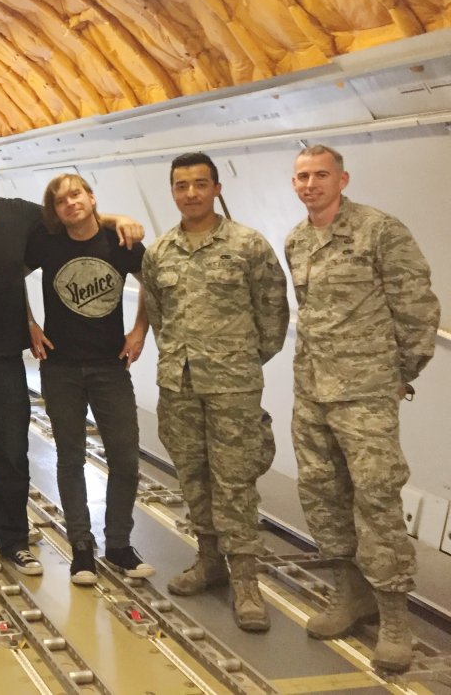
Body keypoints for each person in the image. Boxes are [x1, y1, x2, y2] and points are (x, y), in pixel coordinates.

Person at [0, 142, 143, 586]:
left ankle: (15, 538)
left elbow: (77, 218)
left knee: (12, 454)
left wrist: (119, 219)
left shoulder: (22, 217)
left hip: (4, 357)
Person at [286, 144, 439, 672]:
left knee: (376, 498)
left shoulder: (379, 231)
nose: (310, 184)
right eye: (302, 176)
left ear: (342, 179)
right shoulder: (297, 240)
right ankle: (350, 594)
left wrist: (397, 377)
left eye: (320, 175)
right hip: (312, 392)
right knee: (324, 495)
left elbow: (417, 309)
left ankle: (394, 616)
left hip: (366, 394)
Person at [141, 152, 288, 632]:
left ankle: (246, 582)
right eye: (181, 185)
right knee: (192, 477)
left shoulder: (248, 246)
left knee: (235, 483)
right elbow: (160, 316)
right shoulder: (160, 252)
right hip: (179, 386)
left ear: (217, 188)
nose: (190, 193)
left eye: (200, 184)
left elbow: (273, 317)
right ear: (173, 192)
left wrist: (238, 361)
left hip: (233, 387)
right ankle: (209, 562)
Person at [26, 174, 151, 588]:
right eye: (60, 200)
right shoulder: (46, 242)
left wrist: (139, 330)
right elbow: (8, 275)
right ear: (55, 211)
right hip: (61, 368)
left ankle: (118, 544)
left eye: (76, 194)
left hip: (110, 367)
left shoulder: (121, 242)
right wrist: (29, 323)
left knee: (125, 457)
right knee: (69, 458)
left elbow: (152, 283)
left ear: (91, 197)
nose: (70, 203)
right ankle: (82, 546)